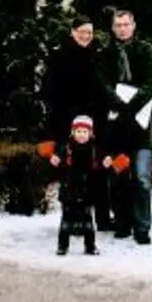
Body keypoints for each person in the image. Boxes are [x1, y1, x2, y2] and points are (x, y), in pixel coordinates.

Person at [42, 15, 112, 230]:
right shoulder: (59, 56)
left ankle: (101, 218)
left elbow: (103, 86)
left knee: (98, 168)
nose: (86, 36)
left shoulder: (97, 55)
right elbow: (51, 90)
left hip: (95, 120)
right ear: (72, 32)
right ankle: (71, 218)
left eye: (89, 32)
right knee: (70, 172)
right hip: (68, 120)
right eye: (82, 31)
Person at [101, 8, 152, 244]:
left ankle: (142, 228)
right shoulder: (106, 54)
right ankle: (123, 224)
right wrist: (116, 103)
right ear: (113, 28)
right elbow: (103, 83)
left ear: (133, 26)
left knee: (142, 179)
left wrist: (129, 107)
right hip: (116, 129)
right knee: (118, 178)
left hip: (140, 126)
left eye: (126, 24)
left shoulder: (146, 51)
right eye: (118, 25)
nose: (122, 28)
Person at [37, 115, 128, 255]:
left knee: (87, 219)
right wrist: (55, 160)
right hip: (69, 187)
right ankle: (62, 245)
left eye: (84, 132)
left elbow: (103, 161)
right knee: (66, 218)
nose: (81, 135)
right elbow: (58, 160)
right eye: (78, 131)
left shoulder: (95, 149)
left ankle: (90, 246)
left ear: (90, 133)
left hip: (87, 188)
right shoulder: (66, 148)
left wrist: (107, 162)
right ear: (73, 132)